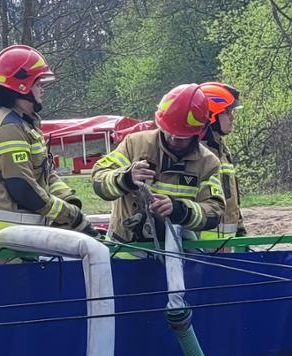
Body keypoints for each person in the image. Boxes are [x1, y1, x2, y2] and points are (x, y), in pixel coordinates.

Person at [0, 44, 88, 248]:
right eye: (38, 83)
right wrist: (70, 215)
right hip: (3, 242)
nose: (42, 89)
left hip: (20, 237)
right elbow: (23, 188)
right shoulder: (8, 127)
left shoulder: (25, 124)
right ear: (22, 86)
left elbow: (45, 173)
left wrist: (69, 200)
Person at [91, 84, 224, 244]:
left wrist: (179, 210)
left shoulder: (208, 164)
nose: (174, 139)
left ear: (199, 133)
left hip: (179, 253)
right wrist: (126, 178)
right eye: (169, 132)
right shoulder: (135, 144)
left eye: (182, 137)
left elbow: (214, 212)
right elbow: (99, 181)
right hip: (127, 252)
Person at [198, 81, 244, 241]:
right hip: (202, 249)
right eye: (227, 112)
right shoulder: (197, 153)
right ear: (211, 116)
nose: (232, 117)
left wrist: (240, 230)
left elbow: (231, 197)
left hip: (226, 243)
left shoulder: (221, 150)